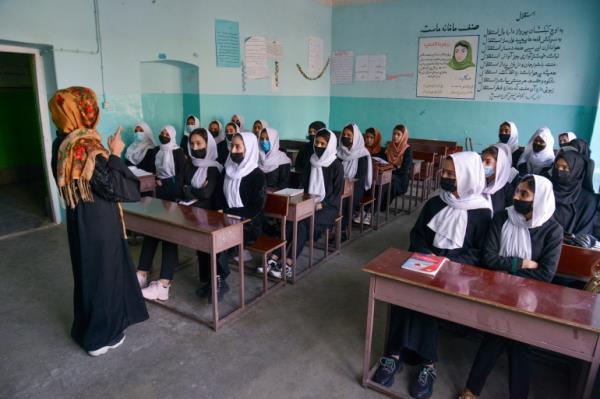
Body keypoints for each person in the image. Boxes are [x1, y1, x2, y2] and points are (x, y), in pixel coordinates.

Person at [371, 152, 492, 398]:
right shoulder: (436, 202)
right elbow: (417, 234)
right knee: (401, 293)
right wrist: (426, 255)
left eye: (451, 174)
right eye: (444, 172)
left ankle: (427, 363)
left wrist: (448, 263)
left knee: (427, 303)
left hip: (458, 273)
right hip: (425, 263)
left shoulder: (482, 212)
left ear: (468, 176)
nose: (445, 177)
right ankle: (393, 355)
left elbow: (481, 253)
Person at [49, 86, 148, 356]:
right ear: (85, 112)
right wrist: (115, 153)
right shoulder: (85, 146)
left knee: (88, 273)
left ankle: (85, 328)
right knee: (104, 277)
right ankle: (100, 337)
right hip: (99, 222)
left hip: (79, 218)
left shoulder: (62, 143)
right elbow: (122, 190)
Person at [460, 175, 562, 399]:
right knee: (510, 336)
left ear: (540, 199)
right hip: (497, 289)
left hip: (531, 297)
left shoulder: (552, 230)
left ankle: (471, 390)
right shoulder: (502, 218)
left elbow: (545, 274)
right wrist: (523, 263)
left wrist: (506, 264)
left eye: (524, 194)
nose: (516, 197)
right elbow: (488, 257)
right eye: (516, 191)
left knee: (510, 337)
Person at [266, 129, 344, 279]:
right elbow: (302, 185)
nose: (319, 146)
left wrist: (322, 204)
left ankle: (287, 262)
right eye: (317, 142)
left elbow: (336, 194)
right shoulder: (311, 161)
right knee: (291, 222)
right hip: (308, 202)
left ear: (330, 145)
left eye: (323, 144)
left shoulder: (336, 165)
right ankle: (276, 258)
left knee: (302, 223)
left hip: (328, 208)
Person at [136, 125, 187, 301]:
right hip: (157, 195)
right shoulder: (157, 150)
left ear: (172, 136)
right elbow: (151, 169)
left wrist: (164, 184)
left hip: (174, 196)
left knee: (168, 235)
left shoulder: (178, 152)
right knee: (152, 231)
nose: (163, 135)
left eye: (167, 134)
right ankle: (142, 273)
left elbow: (181, 179)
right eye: (162, 133)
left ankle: (163, 285)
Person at [214, 132, 267, 299]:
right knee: (208, 239)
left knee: (220, 243)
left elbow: (255, 208)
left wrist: (229, 213)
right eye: (232, 146)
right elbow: (218, 196)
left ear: (249, 149)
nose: (233, 150)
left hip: (248, 224)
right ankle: (213, 278)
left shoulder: (257, 175)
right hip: (226, 219)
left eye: (238, 147)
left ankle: (218, 281)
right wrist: (221, 213)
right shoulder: (227, 170)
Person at [180, 129, 224, 299]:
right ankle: (205, 280)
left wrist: (189, 189)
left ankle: (216, 281)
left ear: (209, 145)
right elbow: (181, 188)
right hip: (193, 212)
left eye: (199, 143)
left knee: (210, 250)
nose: (194, 147)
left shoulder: (214, 168)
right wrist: (194, 189)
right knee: (200, 248)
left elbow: (207, 194)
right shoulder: (190, 165)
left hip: (211, 215)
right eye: (192, 144)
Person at [551, 149, 598, 236]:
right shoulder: (547, 189)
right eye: (557, 166)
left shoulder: (588, 200)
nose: (559, 171)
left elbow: (583, 233)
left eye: (565, 168)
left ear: (577, 171)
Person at [338, 123, 372, 231]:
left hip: (356, 185)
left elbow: (360, 175)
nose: (345, 137)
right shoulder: (338, 151)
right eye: (344, 134)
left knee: (346, 201)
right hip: (340, 183)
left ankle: (343, 229)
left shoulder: (362, 154)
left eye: (349, 135)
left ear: (355, 138)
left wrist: (346, 182)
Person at [481, 144, 518, 213]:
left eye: (488, 162)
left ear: (499, 165)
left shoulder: (508, 190)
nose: (482, 164)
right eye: (482, 160)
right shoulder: (476, 183)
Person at [384, 124, 413, 204]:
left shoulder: (407, 150)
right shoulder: (389, 147)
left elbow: (405, 169)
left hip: (401, 180)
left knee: (390, 183)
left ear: (403, 136)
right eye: (394, 134)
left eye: (398, 134)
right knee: (379, 181)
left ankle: (382, 206)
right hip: (388, 175)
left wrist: (392, 170)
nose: (395, 136)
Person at [295, 121, 326, 186]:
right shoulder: (304, 147)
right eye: (310, 132)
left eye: (314, 132)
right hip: (304, 180)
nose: (312, 134)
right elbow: (298, 165)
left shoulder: (326, 150)